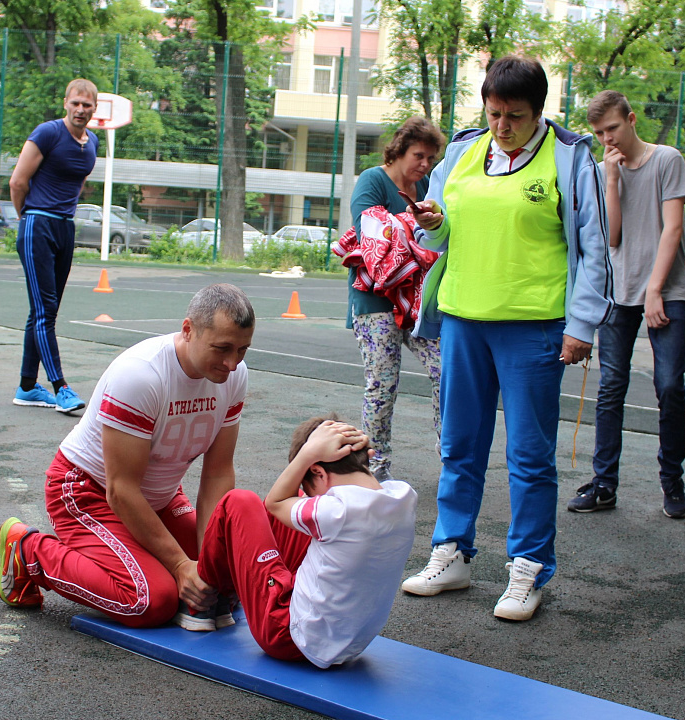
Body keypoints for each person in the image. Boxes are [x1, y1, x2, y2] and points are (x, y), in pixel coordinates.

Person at [398, 56, 612, 621]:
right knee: (459, 444)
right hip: (463, 318)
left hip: (533, 325)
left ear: (538, 111)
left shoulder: (571, 157)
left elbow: (595, 246)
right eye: (494, 113)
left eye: (514, 116)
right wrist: (433, 222)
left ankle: (529, 567)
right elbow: (439, 232)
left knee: (529, 456)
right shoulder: (464, 151)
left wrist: (581, 324)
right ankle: (451, 551)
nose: (502, 126)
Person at [0, 284, 253, 629]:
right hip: (89, 493)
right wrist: (180, 566)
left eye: (242, 350)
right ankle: (27, 551)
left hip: (158, 499)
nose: (232, 363)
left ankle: (150, 560)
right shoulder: (141, 375)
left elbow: (218, 473)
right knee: (151, 600)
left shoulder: (234, 377)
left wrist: (208, 565)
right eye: (222, 349)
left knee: (228, 575)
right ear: (188, 330)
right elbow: (121, 490)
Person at [191, 415, 416, 668]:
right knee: (298, 502)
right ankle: (231, 591)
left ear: (318, 472)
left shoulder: (337, 512)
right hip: (351, 643)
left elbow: (274, 503)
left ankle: (204, 596)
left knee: (239, 502)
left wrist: (306, 454)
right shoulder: (404, 496)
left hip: (290, 636)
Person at [570, 90, 685, 518]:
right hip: (619, 290)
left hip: (666, 289)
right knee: (611, 386)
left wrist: (655, 289)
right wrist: (611, 180)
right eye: (600, 133)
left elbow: (673, 229)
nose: (608, 139)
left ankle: (672, 480)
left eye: (613, 128)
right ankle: (604, 483)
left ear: (631, 119)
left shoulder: (667, 160)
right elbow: (613, 237)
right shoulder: (605, 168)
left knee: (669, 385)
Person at [346, 117, 445, 481]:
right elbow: (369, 231)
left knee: (447, 369)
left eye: (431, 159)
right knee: (382, 384)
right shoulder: (373, 180)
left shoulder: (425, 187)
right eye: (419, 155)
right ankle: (375, 468)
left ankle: (451, 455)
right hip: (376, 301)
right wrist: (417, 223)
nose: (425, 164)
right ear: (400, 151)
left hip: (417, 302)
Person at [8, 78, 100, 414]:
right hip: (38, 224)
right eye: (75, 103)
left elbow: (78, 183)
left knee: (44, 311)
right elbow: (18, 182)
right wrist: (28, 218)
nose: (80, 110)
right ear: (66, 103)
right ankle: (60, 387)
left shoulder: (93, 142)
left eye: (87, 105)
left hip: (65, 227)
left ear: (94, 109)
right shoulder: (47, 132)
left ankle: (27, 387)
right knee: (45, 311)